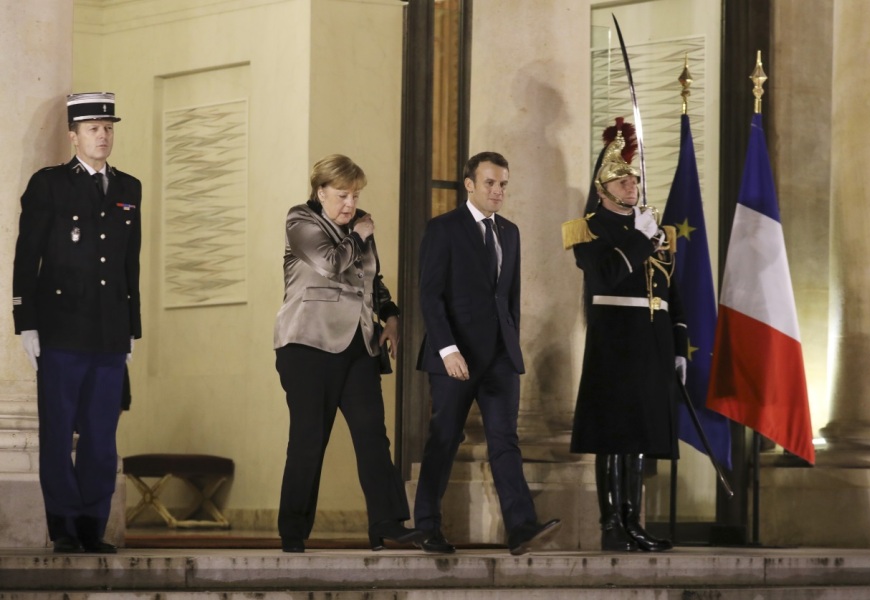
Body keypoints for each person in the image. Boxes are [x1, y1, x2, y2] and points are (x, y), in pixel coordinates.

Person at [273, 154, 423, 553]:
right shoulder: (300, 220)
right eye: (342, 195)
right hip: (307, 345)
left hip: (358, 345)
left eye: (355, 195)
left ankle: (387, 523)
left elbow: (372, 281)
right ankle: (293, 530)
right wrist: (357, 235)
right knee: (309, 438)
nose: (349, 203)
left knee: (373, 434)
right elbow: (330, 263)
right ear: (320, 191)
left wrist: (389, 315)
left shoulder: (359, 225)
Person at [12, 92, 142, 554]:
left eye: (108, 127)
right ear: (73, 136)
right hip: (61, 329)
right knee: (58, 430)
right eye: (92, 128)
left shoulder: (129, 187)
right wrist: (26, 321)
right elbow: (28, 256)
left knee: (101, 435)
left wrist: (132, 328)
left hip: (108, 332)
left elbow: (131, 264)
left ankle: (92, 524)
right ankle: (64, 527)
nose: (102, 135)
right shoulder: (49, 185)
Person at [414, 151, 560, 555]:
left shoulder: (510, 232)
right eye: (491, 183)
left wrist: (510, 345)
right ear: (470, 184)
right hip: (454, 357)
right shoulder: (443, 229)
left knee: (504, 440)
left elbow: (507, 298)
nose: (498, 191)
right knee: (444, 438)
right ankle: (427, 527)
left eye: (503, 184)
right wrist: (447, 349)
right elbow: (430, 296)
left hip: (499, 358)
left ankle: (520, 528)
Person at [562, 118, 687, 552]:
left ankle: (635, 521)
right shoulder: (590, 229)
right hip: (614, 341)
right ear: (602, 189)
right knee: (613, 435)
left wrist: (679, 341)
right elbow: (610, 273)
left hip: (652, 342)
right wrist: (641, 238)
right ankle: (613, 525)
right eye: (620, 180)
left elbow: (671, 287)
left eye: (633, 177)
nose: (630, 184)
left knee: (640, 437)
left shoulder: (652, 228)